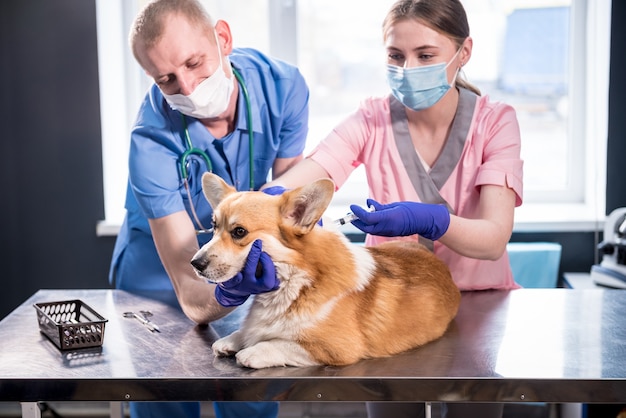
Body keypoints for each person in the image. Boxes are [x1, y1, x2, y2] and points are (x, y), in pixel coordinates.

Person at [262, 0, 523, 417]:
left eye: (425, 56)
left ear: (464, 52)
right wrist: (258, 206)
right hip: (392, 307)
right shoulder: (370, 120)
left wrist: (429, 219)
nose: (407, 69)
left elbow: (493, 240)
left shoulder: (496, 122)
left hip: (478, 308)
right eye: (395, 56)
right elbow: (307, 175)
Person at [108, 0, 310, 417]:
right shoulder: (149, 142)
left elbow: (287, 206)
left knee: (250, 395)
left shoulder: (283, 87)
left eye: (195, 63)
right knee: (163, 396)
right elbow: (191, 293)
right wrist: (232, 289)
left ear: (223, 38)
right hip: (160, 269)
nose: (186, 87)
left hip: (239, 254)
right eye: (166, 78)